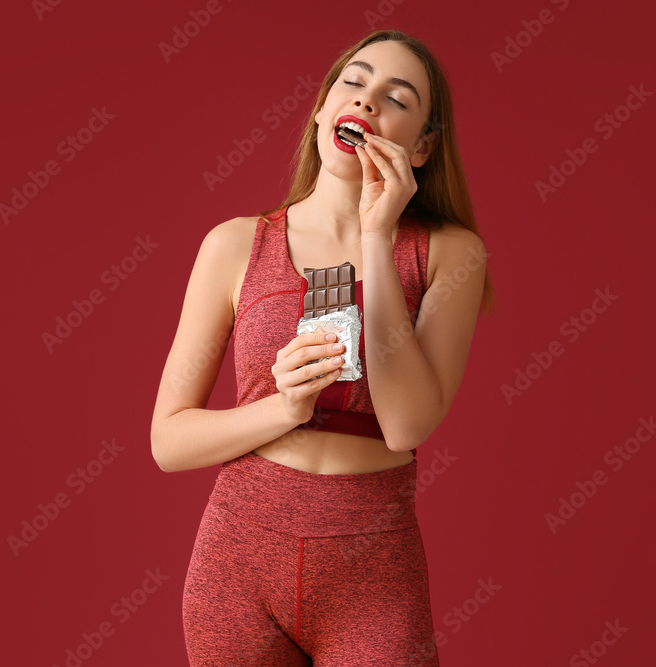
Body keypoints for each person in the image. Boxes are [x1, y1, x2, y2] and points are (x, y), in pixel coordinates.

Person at [151, 28, 494, 666]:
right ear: (320, 110)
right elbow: (168, 442)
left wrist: (376, 237)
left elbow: (407, 424)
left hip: (374, 568)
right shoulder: (233, 245)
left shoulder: (451, 253)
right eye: (354, 83)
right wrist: (282, 408)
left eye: (397, 97)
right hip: (238, 560)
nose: (366, 103)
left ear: (420, 147)